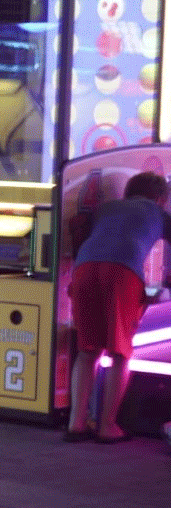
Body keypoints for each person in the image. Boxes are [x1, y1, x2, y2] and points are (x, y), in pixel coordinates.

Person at [64, 171, 171, 443]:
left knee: (88, 350)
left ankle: (77, 423)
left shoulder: (105, 208)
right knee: (120, 353)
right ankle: (107, 426)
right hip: (121, 273)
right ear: (160, 198)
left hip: (84, 270)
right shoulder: (158, 213)